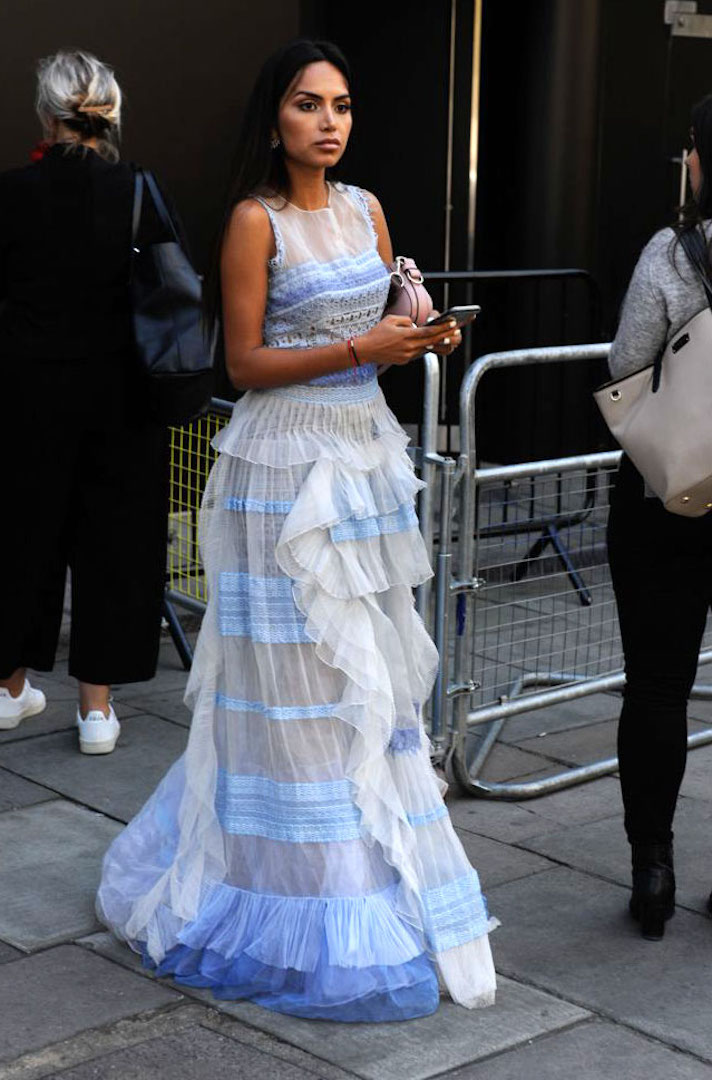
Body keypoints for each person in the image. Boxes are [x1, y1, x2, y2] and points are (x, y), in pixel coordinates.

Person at [97, 39, 497, 1020]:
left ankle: (366, 882)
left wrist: (422, 333)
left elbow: (373, 350)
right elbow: (239, 365)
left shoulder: (366, 210)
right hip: (276, 478)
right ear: (274, 117)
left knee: (360, 690)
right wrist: (366, 342)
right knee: (293, 700)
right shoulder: (251, 221)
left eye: (343, 105)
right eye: (309, 104)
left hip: (359, 464)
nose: (329, 121)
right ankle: (298, 898)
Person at [0, 50, 170, 753]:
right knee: (113, 546)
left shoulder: (9, 193)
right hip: (121, 398)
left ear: (46, 114)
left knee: (18, 536)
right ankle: (95, 711)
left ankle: (8, 691)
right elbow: (172, 293)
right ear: (112, 115)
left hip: (24, 394)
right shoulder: (137, 190)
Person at [607, 93, 712, 940]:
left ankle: (653, 871)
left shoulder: (673, 254)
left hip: (670, 498)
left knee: (657, 685)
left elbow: (626, 365)